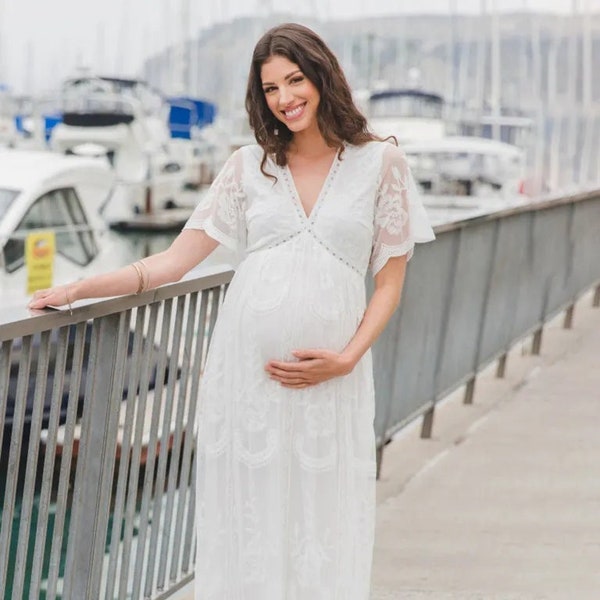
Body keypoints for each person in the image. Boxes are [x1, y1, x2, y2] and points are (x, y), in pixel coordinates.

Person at [29, 22, 435, 600]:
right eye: (271, 89)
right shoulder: (249, 167)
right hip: (245, 380)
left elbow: (390, 283)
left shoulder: (380, 163)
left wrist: (346, 358)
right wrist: (79, 289)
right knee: (248, 519)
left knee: (321, 515)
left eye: (295, 80)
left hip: (330, 380)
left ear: (323, 76)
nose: (285, 98)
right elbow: (170, 264)